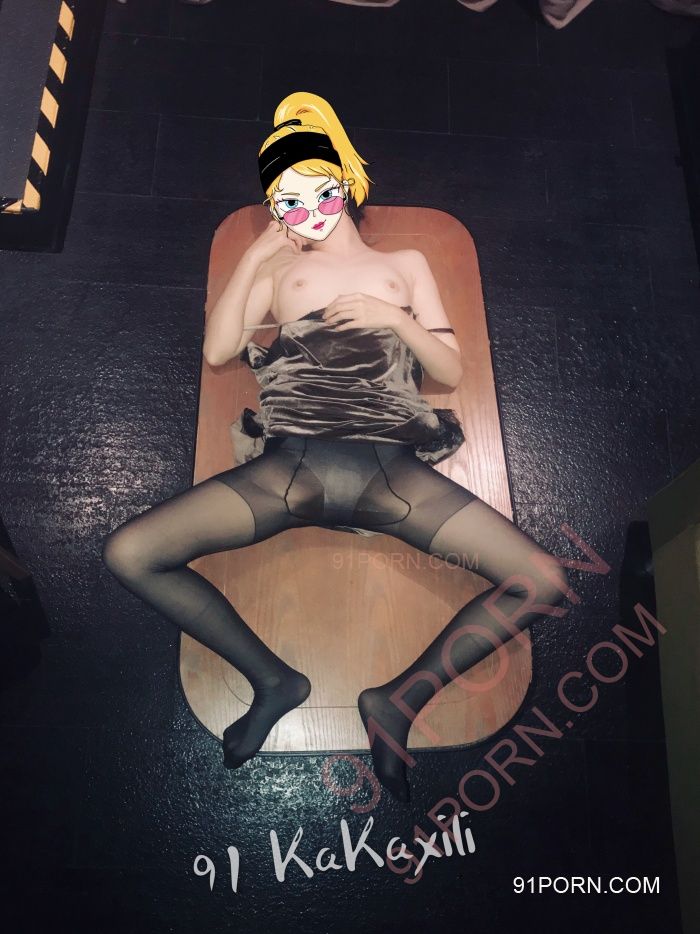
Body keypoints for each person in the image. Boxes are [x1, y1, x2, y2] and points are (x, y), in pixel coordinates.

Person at [102, 91, 571, 803]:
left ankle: (399, 700)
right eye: (285, 202)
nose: (306, 210)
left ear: (345, 183)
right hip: (291, 468)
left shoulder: (406, 262)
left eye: (316, 191)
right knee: (129, 553)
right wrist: (257, 253)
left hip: (392, 475)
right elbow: (220, 350)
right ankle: (273, 680)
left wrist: (395, 319)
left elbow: (449, 371)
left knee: (545, 582)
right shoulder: (277, 270)